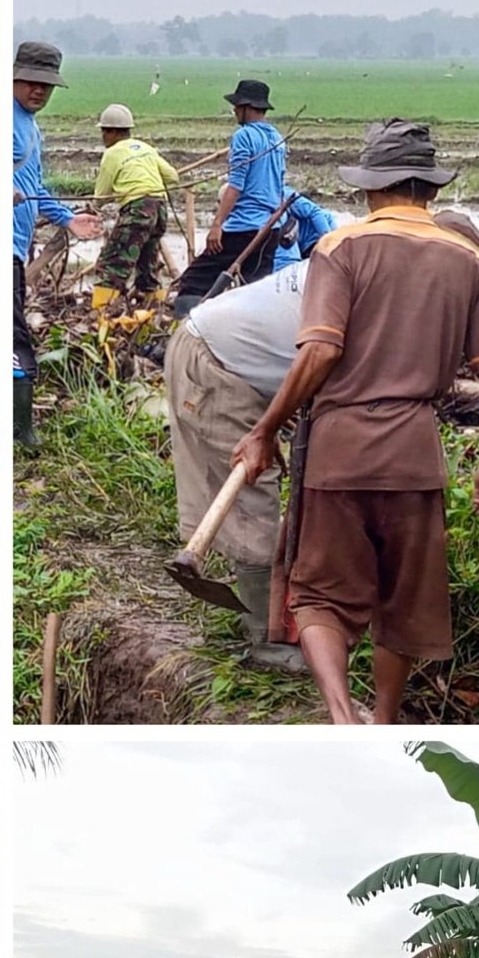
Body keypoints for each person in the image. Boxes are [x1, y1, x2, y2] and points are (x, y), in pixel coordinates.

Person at [230, 120, 479, 725]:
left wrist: (265, 428)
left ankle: (340, 713)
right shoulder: (470, 260)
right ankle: (382, 721)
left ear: (369, 189)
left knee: (317, 596)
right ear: (429, 190)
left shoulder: (340, 249)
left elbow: (321, 350)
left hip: (339, 448)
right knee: (403, 599)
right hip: (415, 454)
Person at [166, 260, 309, 671]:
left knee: (254, 483)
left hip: (219, 347)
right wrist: (264, 432)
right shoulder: (372, 275)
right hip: (219, 365)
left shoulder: (350, 255)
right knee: (252, 492)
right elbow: (319, 355)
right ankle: (265, 639)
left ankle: (260, 601)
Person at [12, 41, 102, 447]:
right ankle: (22, 433)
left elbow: (33, 188)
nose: (39, 92)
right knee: (15, 339)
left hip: (17, 245)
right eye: (32, 82)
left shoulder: (32, 129)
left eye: (47, 86)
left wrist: (68, 217)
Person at [172, 79, 285, 312]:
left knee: (194, 280)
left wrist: (217, 225)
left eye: (237, 106)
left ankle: (184, 335)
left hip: (243, 227)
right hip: (270, 227)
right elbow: (279, 182)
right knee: (255, 289)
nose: (234, 110)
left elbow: (236, 185)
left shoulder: (244, 136)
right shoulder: (276, 137)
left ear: (246, 107)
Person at [90, 104, 179, 314]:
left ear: (112, 132)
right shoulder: (146, 148)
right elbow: (173, 177)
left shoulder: (112, 154)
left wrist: (92, 208)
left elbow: (101, 195)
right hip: (159, 209)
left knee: (112, 263)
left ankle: (102, 314)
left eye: (104, 131)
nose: (103, 136)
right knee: (147, 262)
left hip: (137, 209)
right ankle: (154, 311)